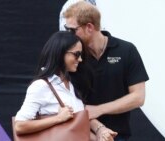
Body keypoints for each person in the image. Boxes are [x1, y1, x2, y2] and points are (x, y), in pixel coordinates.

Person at [63, 1, 149, 141]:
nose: (69, 35)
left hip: (116, 135)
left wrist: (100, 109)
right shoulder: (72, 55)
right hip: (80, 133)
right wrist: (98, 129)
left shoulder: (126, 50)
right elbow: (67, 99)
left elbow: (138, 97)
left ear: (89, 27)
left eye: (72, 30)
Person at [14, 31, 117, 141]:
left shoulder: (71, 84)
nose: (80, 59)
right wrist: (58, 118)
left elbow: (76, 125)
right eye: (77, 54)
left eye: (81, 55)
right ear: (60, 53)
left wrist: (100, 132)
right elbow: (20, 126)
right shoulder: (40, 86)